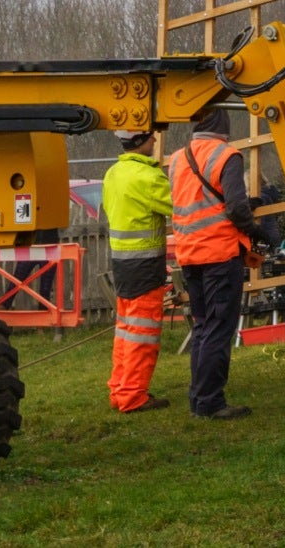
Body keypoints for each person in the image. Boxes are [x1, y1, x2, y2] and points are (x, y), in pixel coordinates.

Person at [165, 99, 264, 419]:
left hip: (189, 255)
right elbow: (234, 209)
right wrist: (255, 230)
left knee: (204, 327)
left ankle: (199, 400)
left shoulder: (178, 159)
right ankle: (210, 402)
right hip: (220, 255)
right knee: (219, 329)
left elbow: (199, 198)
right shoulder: (227, 155)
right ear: (223, 126)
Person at [100, 129, 174, 413]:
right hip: (145, 266)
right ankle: (133, 396)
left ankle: (120, 390)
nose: (155, 141)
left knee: (126, 331)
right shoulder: (148, 177)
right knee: (142, 335)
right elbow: (180, 205)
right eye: (150, 137)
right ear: (140, 140)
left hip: (122, 264)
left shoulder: (113, 173)